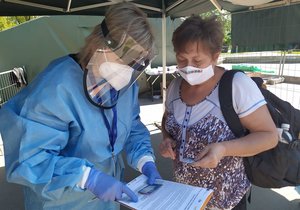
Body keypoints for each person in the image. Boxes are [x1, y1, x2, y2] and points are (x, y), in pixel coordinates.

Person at [0, 2, 161, 210]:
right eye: (125, 58)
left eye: (136, 63)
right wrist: (87, 177)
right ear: (100, 43)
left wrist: (145, 160)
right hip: (62, 202)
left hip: (106, 202)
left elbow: (131, 126)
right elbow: (29, 159)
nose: (127, 70)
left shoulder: (124, 87)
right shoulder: (56, 88)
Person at [159, 15, 278, 210]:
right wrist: (166, 139)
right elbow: (167, 122)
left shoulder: (236, 85)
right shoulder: (175, 86)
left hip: (225, 199)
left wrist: (223, 149)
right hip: (185, 196)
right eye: (182, 59)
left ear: (215, 56)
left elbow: (269, 136)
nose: (188, 68)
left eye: (197, 61)